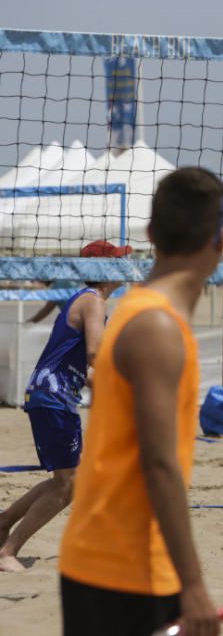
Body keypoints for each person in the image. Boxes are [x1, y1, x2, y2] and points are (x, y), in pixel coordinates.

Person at [58, 168, 223, 635]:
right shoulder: (156, 327)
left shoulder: (139, 312)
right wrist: (193, 584)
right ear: (222, 239)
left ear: (151, 234)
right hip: (124, 568)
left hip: (105, 557)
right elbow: (159, 463)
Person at [0, 241, 129, 572]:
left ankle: (3, 524)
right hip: (52, 397)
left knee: (65, 480)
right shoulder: (93, 301)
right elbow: (96, 357)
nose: (125, 266)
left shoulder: (85, 301)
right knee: (70, 484)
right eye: (118, 261)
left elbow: (81, 369)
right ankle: (8, 551)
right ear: (102, 269)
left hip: (53, 395)